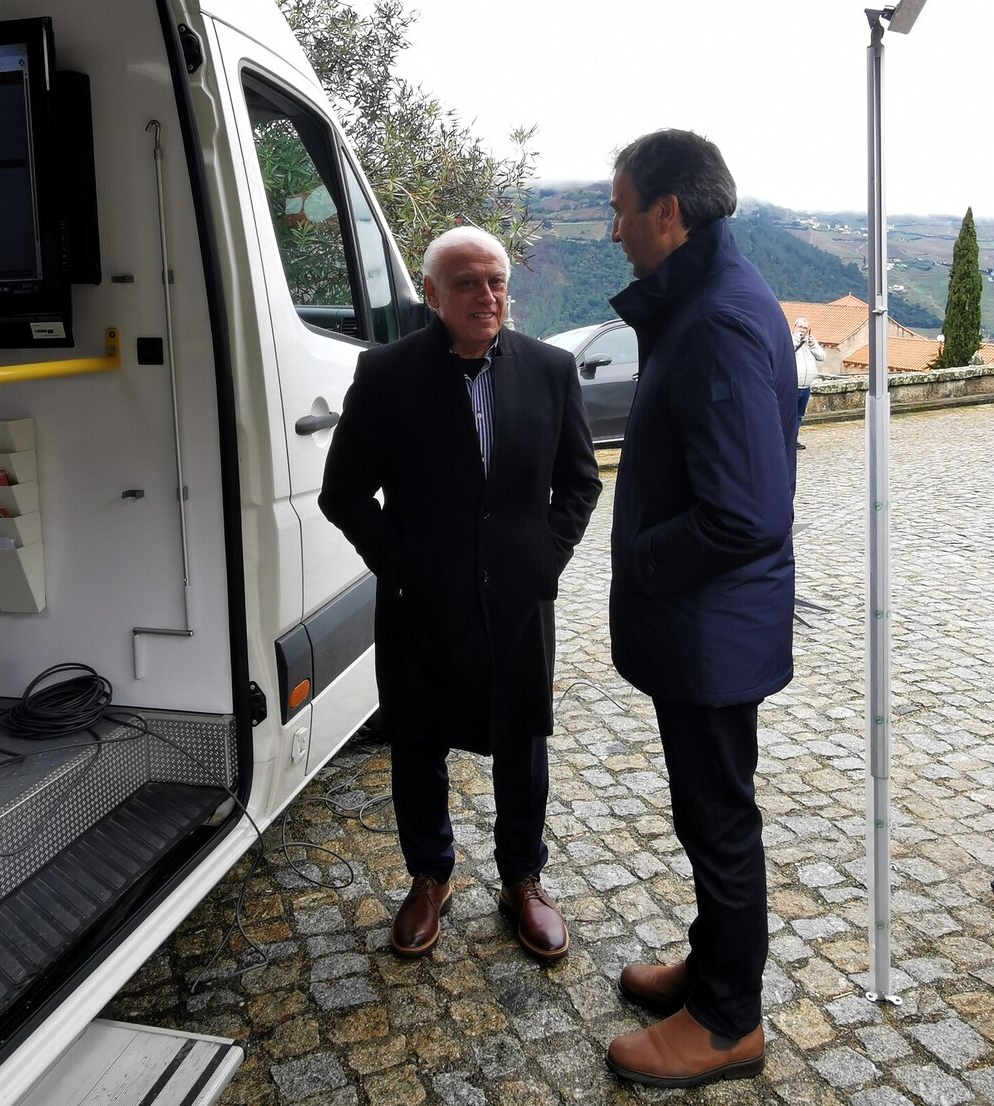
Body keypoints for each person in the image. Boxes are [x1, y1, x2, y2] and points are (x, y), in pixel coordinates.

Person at [319, 226, 601, 962]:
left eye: (496, 281)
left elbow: (580, 482)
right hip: (419, 599)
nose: (487, 296)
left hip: (518, 598)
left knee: (522, 740)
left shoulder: (550, 369)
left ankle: (522, 879)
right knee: (418, 739)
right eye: (468, 283)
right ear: (432, 294)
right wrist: (398, 565)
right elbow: (342, 492)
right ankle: (429, 876)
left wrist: (546, 560)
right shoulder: (386, 373)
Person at [603, 130, 797, 1088]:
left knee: (718, 819)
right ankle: (712, 965)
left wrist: (640, 558)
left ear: (667, 213)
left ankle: (728, 1021)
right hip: (708, 625)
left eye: (622, 210)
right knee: (707, 812)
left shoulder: (716, 318)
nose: (615, 230)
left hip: (709, 631)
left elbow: (745, 514)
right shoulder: (710, 296)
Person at [792, 316, 825, 449]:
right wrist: (796, 340)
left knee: (799, 415)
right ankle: (785, 439)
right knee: (788, 414)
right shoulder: (789, 340)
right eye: (800, 327)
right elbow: (786, 353)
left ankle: (794, 439)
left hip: (806, 386)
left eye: (805, 328)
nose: (802, 330)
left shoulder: (809, 343)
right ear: (794, 327)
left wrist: (813, 344)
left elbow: (821, 356)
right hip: (792, 385)